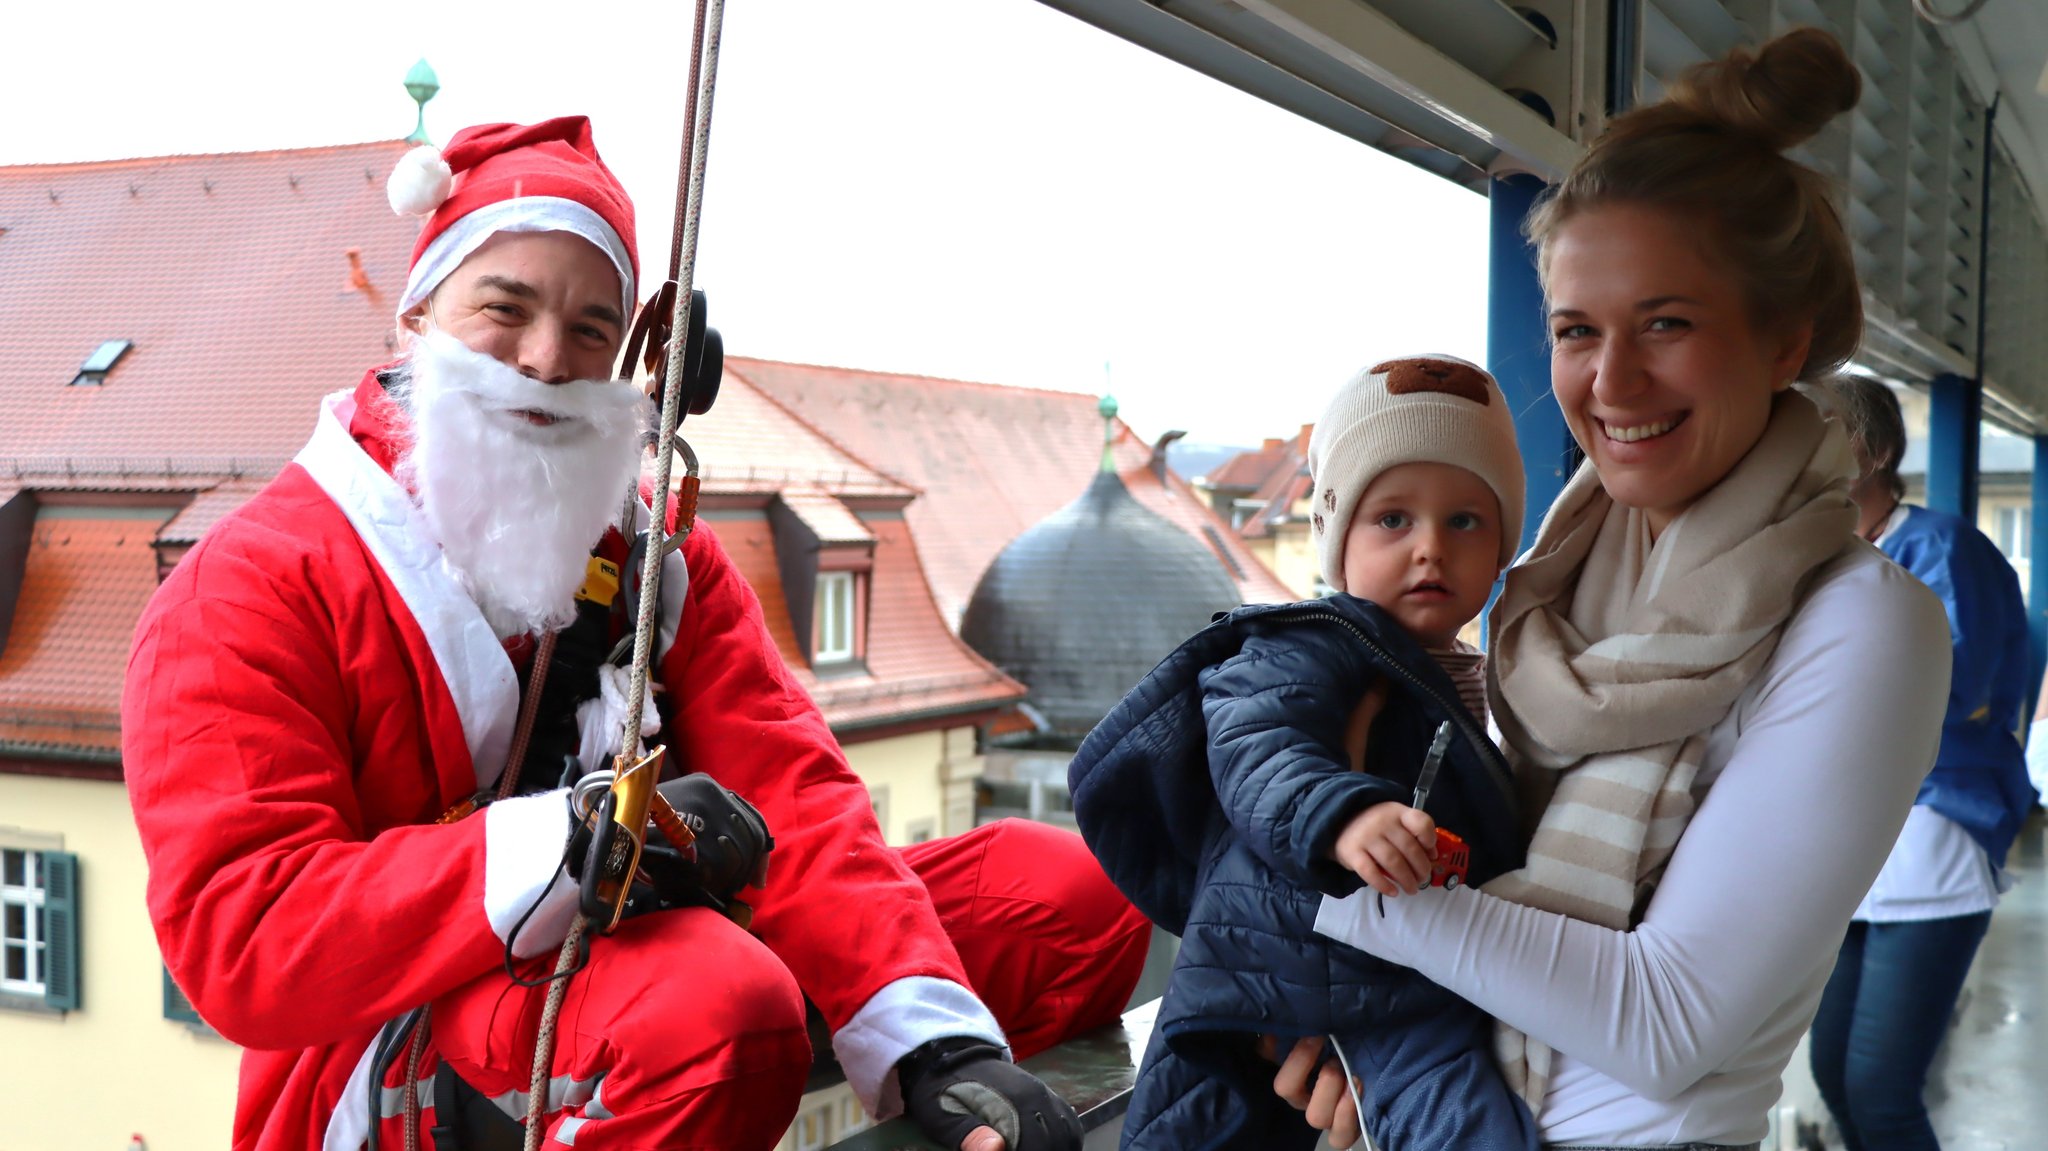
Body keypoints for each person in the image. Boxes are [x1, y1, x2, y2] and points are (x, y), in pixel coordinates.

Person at [122, 117, 1149, 1151]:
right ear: (419, 313)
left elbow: (792, 787)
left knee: (1072, 902)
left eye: (587, 329)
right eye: (505, 308)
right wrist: (572, 841)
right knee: (709, 1009)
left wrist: (937, 1045)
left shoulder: (653, 555)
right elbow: (243, 935)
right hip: (395, 1035)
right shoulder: (252, 582)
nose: (545, 360)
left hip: (652, 964)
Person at [1275, 27, 1955, 1151]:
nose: (1612, 379)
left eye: (1666, 324)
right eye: (1575, 331)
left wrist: (1297, 882)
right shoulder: (1559, 581)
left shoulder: (1863, 623)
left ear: (1782, 339)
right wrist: (1374, 1032)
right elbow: (1501, 891)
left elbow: (1662, 1019)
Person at [1069, 355, 1539, 1150]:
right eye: (1394, 518)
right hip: (1283, 962)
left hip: (1407, 978)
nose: (1430, 547)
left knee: (1470, 1121)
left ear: (1501, 549)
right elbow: (1258, 742)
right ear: (1336, 534)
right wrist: (1344, 813)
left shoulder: (1497, 677)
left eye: (1465, 520)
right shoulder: (1312, 645)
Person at [1806, 373, 2038, 1150]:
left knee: (1881, 1089)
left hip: (1932, 836)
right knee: (1835, 1070)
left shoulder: (1938, 545)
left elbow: (1951, 684)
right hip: (1855, 844)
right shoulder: (1833, 555)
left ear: (1867, 453)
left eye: (1815, 432)